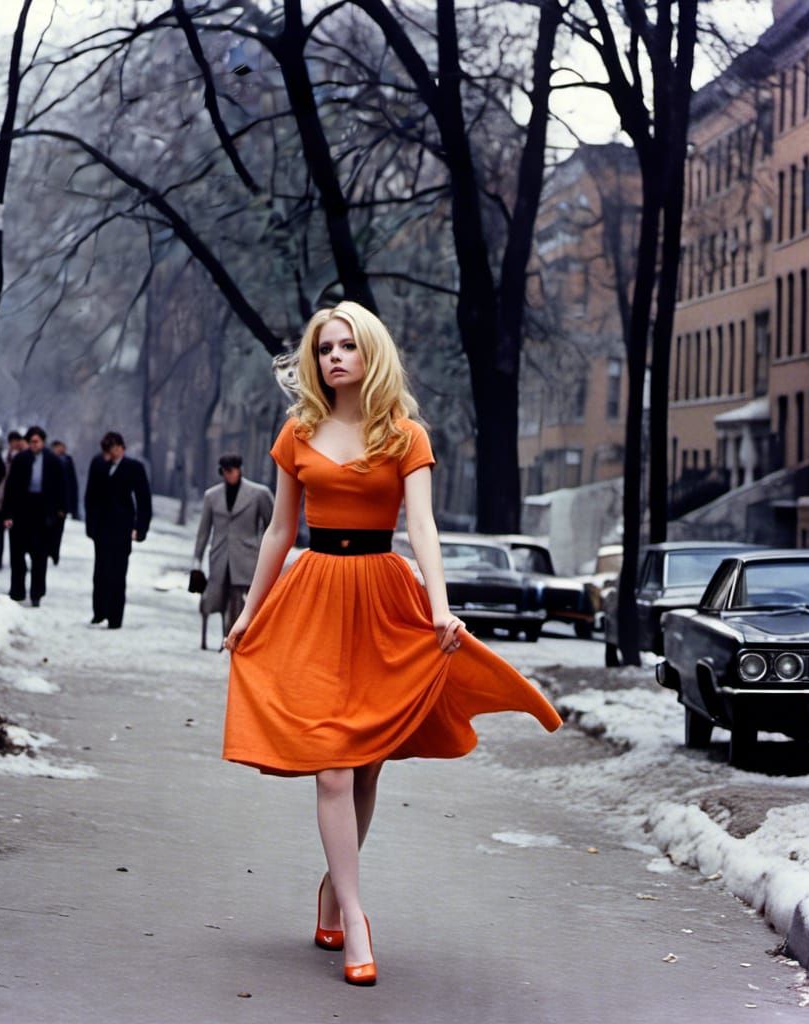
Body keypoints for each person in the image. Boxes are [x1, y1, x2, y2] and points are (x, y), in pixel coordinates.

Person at [222, 302, 562, 986]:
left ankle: (329, 892)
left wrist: (441, 609)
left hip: (383, 602)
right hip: (315, 600)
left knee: (367, 765)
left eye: (347, 346)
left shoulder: (405, 435)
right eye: (324, 349)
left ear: (370, 354)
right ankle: (355, 915)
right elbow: (279, 532)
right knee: (333, 767)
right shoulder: (298, 430)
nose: (335, 357)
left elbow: (424, 529)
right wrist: (247, 612)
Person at [192, 454, 273, 649]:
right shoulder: (212, 496)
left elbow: (274, 525)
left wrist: (263, 550)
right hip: (220, 556)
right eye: (225, 471)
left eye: (232, 470)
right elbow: (203, 531)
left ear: (239, 469)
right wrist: (196, 562)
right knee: (217, 599)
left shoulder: (258, 494)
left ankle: (235, 640)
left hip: (246, 558)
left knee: (239, 601)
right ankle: (224, 638)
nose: (229, 475)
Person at [83, 431, 152, 629]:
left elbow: (143, 499)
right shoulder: (98, 464)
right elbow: (91, 495)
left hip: (122, 528)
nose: (110, 454)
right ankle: (99, 611)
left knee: (118, 573)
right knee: (100, 570)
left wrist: (140, 528)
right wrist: (91, 525)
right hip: (102, 527)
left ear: (121, 447)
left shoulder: (134, 468)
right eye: (107, 450)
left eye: (113, 449)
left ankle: (115, 617)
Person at [1, 426, 66, 606]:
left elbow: (61, 487)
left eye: (37, 441)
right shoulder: (21, 459)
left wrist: (60, 510)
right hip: (23, 509)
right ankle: (17, 590)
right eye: (31, 442)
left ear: (43, 442)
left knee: (39, 556)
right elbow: (11, 488)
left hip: (43, 512)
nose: (34, 445)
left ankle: (37, 592)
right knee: (18, 553)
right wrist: (8, 513)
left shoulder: (53, 461)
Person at [0, 431, 26, 569]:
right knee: (0, 533)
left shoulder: (22, 459)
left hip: (12, 503)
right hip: (0, 501)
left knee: (14, 534)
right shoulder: (4, 458)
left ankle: (13, 559)